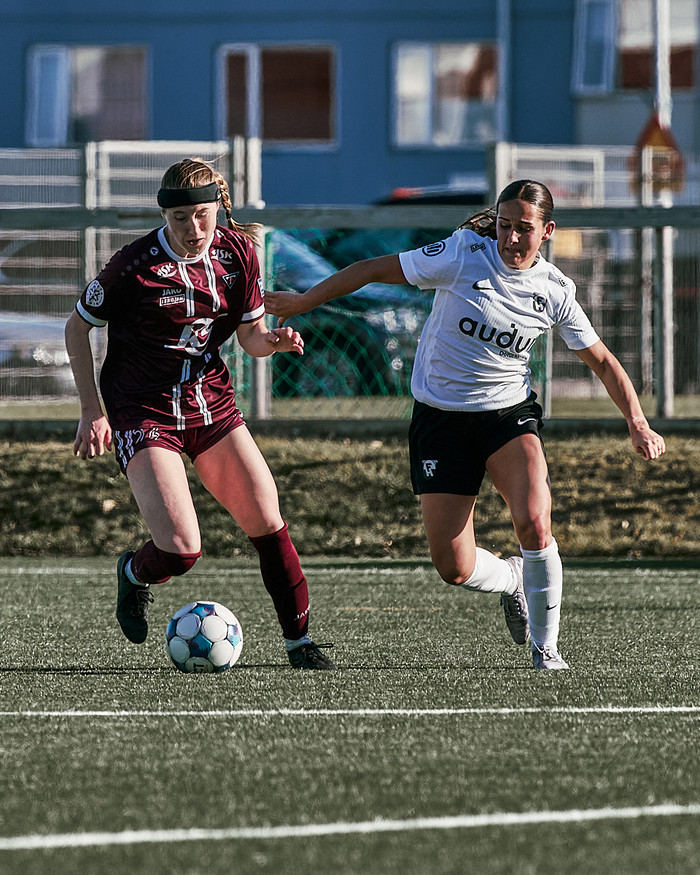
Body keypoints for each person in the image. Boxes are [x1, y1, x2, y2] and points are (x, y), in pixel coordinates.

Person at [265, 179, 666, 670]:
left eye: (524, 228)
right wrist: (304, 302)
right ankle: (513, 580)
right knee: (454, 567)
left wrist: (638, 423)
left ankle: (547, 649)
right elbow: (371, 269)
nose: (511, 238)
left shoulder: (555, 290)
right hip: (440, 420)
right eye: (504, 225)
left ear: (547, 232)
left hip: (507, 417)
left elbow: (602, 360)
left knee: (535, 521)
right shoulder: (461, 254)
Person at [64, 157, 336, 670]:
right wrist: (90, 410)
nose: (193, 228)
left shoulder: (239, 252)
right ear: (164, 216)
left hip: (211, 406)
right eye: (180, 218)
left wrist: (273, 342)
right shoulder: (133, 266)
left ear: (218, 209)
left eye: (202, 215)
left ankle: (299, 643)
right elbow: (77, 328)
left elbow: (251, 337)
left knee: (268, 521)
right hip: (144, 412)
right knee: (181, 551)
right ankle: (134, 573)